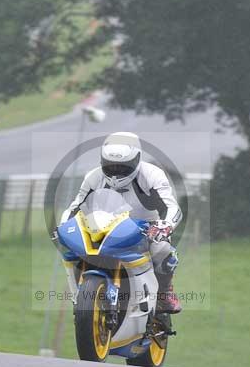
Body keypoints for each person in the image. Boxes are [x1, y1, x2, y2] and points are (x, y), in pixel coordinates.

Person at [60, 131, 183, 313]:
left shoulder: (152, 175)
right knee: (73, 251)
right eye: (110, 166)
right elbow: (75, 207)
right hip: (106, 227)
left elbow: (172, 207)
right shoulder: (93, 177)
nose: (116, 173)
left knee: (162, 249)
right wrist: (63, 227)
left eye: (123, 167)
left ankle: (164, 292)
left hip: (147, 229)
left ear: (137, 159)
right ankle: (80, 299)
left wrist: (165, 226)